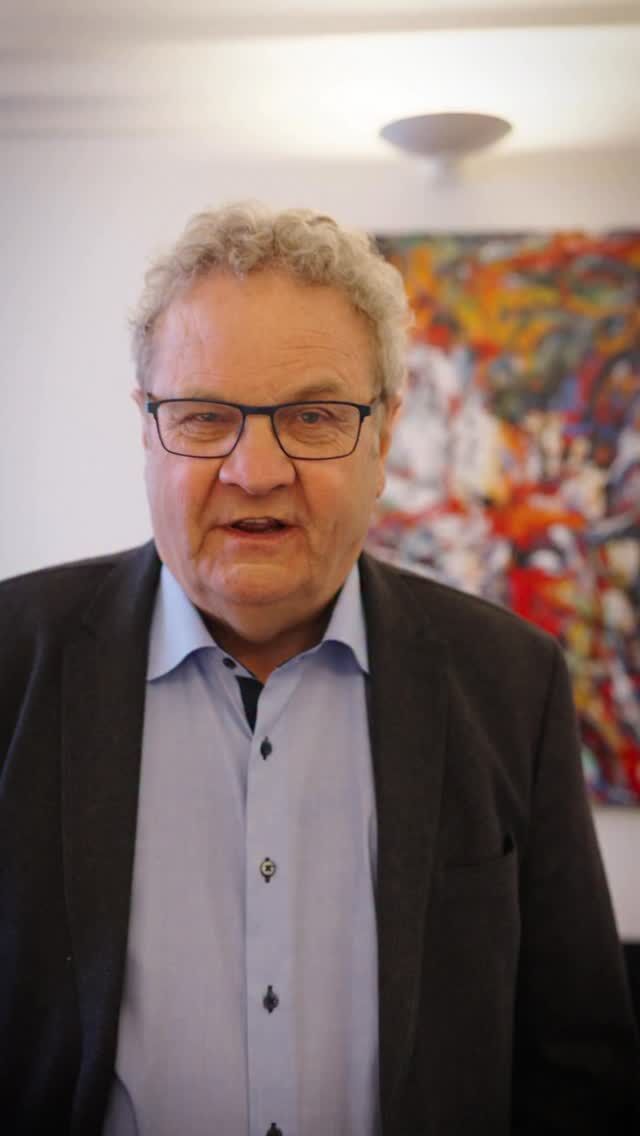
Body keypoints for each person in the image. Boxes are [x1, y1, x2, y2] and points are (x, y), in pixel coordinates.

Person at [0, 203, 638, 1136]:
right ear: (147, 427)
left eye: (313, 416)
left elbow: (579, 1069)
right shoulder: (12, 663)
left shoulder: (512, 683)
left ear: (384, 435)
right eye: (205, 416)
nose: (256, 470)